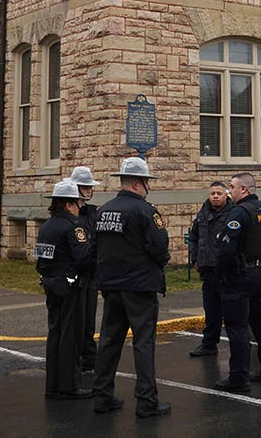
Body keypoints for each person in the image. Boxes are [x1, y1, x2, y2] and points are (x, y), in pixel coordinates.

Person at [91, 157, 171, 418]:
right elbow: (159, 247)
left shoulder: (103, 211)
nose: (148, 187)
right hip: (139, 286)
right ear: (137, 184)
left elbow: (94, 249)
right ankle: (146, 401)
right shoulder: (146, 211)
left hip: (111, 285)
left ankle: (102, 395)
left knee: (109, 340)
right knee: (143, 343)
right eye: (146, 182)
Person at [213, 172, 261, 392]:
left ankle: (239, 378)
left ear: (244, 190)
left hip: (241, 275)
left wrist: (220, 275)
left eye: (232, 187)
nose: (229, 191)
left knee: (237, 326)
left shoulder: (239, 213)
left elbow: (225, 248)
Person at [35, 179, 92, 400]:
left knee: (55, 333)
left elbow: (41, 258)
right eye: (78, 204)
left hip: (50, 283)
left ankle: (53, 386)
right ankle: (69, 386)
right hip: (70, 285)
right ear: (69, 205)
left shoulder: (46, 226)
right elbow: (83, 257)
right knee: (71, 335)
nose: (80, 207)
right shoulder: (74, 226)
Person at [186, 181, 233, 357]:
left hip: (226, 270)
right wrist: (195, 258)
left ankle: (237, 344)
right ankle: (209, 344)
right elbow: (194, 237)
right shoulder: (203, 213)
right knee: (211, 309)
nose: (215, 196)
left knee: (230, 310)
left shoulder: (233, 213)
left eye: (219, 193)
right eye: (212, 193)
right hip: (208, 269)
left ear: (226, 195)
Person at [69, 166, 103, 373]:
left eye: (90, 186)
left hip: (91, 273)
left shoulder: (92, 213)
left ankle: (89, 357)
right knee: (76, 319)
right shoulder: (69, 214)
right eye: (85, 187)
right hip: (74, 275)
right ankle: (75, 356)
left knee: (89, 318)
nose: (89, 190)